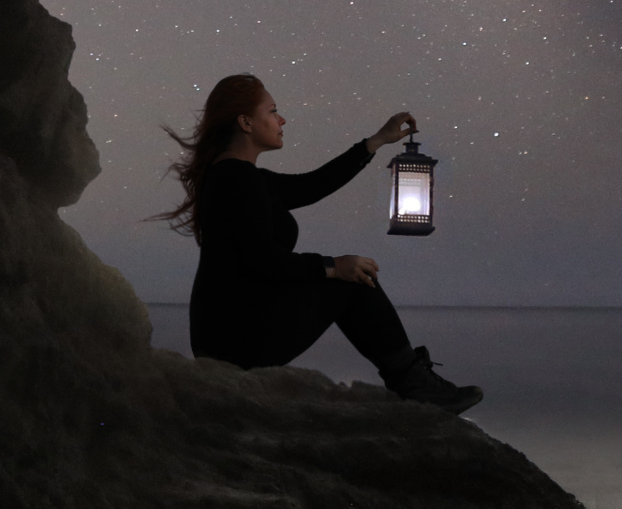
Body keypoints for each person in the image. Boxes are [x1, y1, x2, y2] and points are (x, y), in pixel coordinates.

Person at [158, 74, 483, 415]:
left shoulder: (241, 177)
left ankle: (412, 380)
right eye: (272, 111)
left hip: (229, 333)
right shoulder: (237, 179)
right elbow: (262, 260)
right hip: (236, 341)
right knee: (354, 282)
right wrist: (331, 266)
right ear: (246, 122)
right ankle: (415, 385)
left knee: (349, 275)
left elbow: (312, 186)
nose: (281, 120)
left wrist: (376, 141)